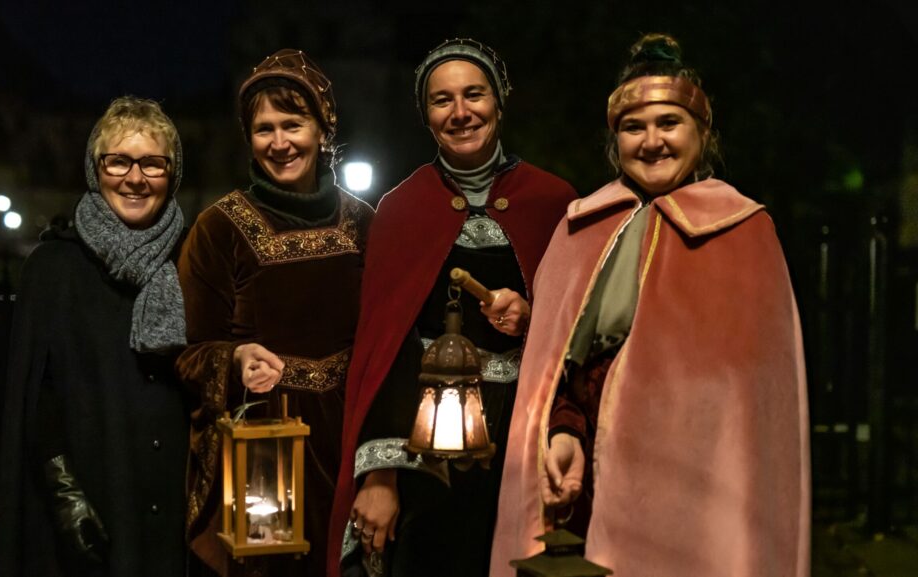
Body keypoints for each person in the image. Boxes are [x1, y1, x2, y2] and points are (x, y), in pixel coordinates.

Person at [490, 33, 811, 577]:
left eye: (669, 123)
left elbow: (749, 410)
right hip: (585, 489)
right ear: (615, 140)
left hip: (695, 497)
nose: (652, 141)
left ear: (702, 132)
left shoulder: (744, 232)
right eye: (634, 127)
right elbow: (563, 371)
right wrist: (565, 430)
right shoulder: (579, 230)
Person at [328, 38, 577, 577]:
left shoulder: (555, 202)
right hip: (425, 452)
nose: (461, 112)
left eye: (474, 95)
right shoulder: (401, 210)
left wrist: (534, 315)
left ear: (499, 102)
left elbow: (581, 328)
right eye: (442, 100)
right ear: (426, 116)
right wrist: (382, 476)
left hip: (526, 442)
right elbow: (383, 350)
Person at [177, 48, 374, 577]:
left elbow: (387, 343)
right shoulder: (218, 229)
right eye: (264, 129)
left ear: (323, 130)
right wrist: (235, 358)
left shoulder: (364, 224)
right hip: (262, 455)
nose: (280, 142)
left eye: (293, 124)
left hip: (348, 448)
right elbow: (187, 351)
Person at [0, 96, 190, 577]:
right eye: (118, 161)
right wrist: (66, 495)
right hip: (95, 505)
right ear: (94, 168)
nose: (135, 178)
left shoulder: (192, 260)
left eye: (153, 163)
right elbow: (36, 399)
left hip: (178, 508)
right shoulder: (54, 267)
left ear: (173, 173)